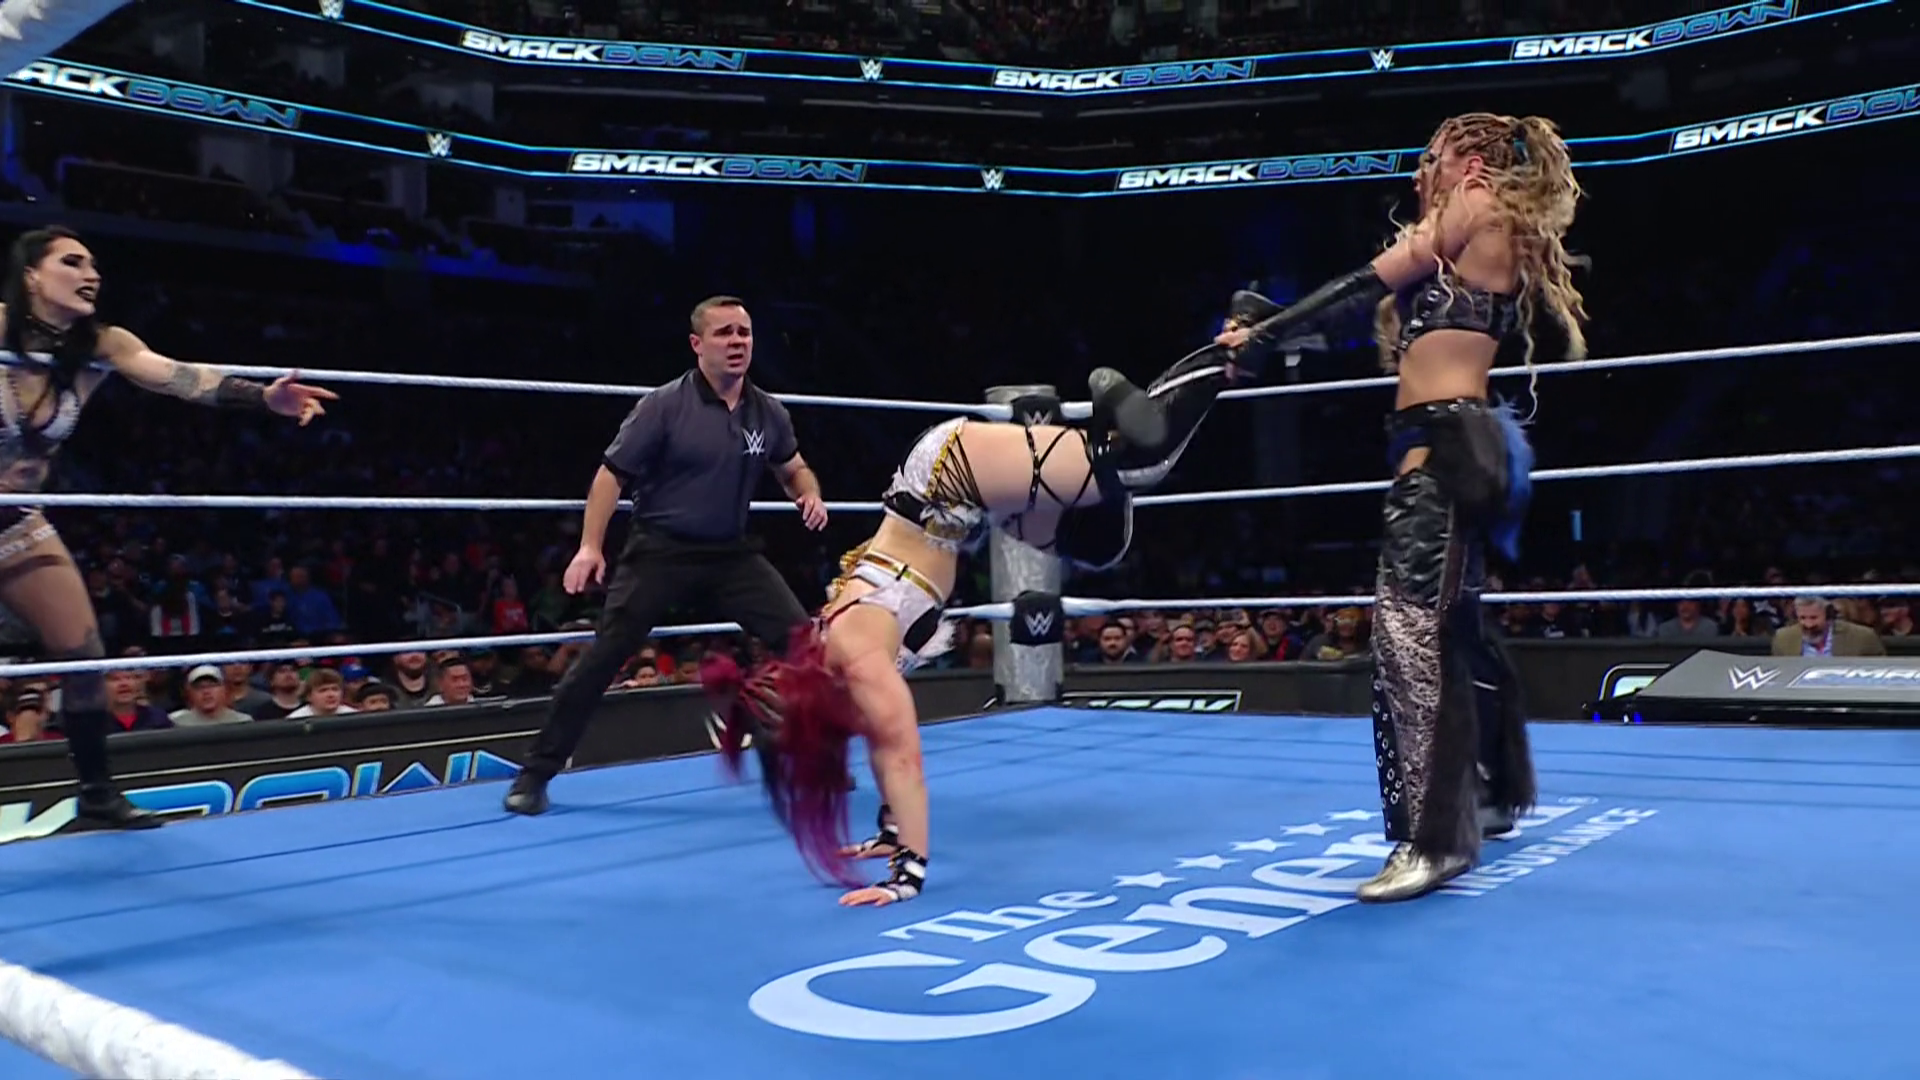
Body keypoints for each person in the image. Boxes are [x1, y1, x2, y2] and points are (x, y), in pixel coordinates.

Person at [700, 345, 1240, 907]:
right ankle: (1181, 384)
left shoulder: (855, 656)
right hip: (961, 518)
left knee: (1141, 461)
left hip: (947, 477)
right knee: (1103, 542)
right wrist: (891, 833)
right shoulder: (838, 681)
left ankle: (1215, 360)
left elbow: (903, 757)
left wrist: (907, 875)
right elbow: (882, 747)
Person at [1215, 112, 1588, 902]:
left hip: (1443, 456)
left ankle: (1432, 840)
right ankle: (1492, 794)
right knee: (1457, 627)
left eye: (1434, 157)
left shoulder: (1477, 204)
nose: (1422, 170)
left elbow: (1367, 283)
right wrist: (1271, 331)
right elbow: (1371, 306)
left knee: (1408, 635)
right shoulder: (1481, 230)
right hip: (1455, 446)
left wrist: (1266, 335)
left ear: (1473, 164)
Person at [0, 225, 337, 826]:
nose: (90, 274)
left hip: (15, 521)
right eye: (72, 263)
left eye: (94, 265)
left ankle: (96, 794)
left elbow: (181, 376)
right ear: (30, 274)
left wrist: (263, 398)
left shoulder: (102, 344)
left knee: (83, 653)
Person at [504, 295, 829, 815]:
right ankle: (535, 774)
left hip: (730, 553)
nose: (737, 342)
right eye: (724, 333)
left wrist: (808, 494)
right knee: (604, 657)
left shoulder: (767, 411)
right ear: (697, 344)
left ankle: (815, 758)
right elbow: (611, 475)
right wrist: (590, 546)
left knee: (805, 647)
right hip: (661, 550)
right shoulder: (664, 405)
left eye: (744, 333)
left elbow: (793, 467)